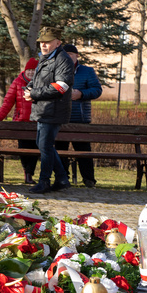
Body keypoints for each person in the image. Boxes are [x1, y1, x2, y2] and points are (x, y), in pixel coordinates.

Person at [24, 26, 75, 194]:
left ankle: (44, 181)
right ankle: (61, 179)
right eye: (41, 42)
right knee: (43, 144)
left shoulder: (63, 59)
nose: (43, 45)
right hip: (44, 109)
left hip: (54, 109)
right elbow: (38, 80)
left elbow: (61, 86)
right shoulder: (45, 58)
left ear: (58, 42)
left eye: (47, 42)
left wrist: (35, 94)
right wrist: (29, 89)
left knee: (45, 145)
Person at [55, 44, 102, 188]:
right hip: (60, 117)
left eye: (71, 54)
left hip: (80, 118)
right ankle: (63, 178)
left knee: (83, 151)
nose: (68, 57)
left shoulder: (87, 71)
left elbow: (97, 90)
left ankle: (89, 179)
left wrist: (81, 94)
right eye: (65, 54)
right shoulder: (56, 70)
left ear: (77, 56)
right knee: (60, 149)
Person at [0, 58, 39, 184]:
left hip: (37, 123)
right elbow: (7, 103)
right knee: (24, 148)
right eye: (29, 70)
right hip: (21, 123)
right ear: (25, 70)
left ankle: (30, 173)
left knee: (35, 150)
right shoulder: (18, 82)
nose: (31, 73)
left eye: (34, 70)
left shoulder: (41, 83)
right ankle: (27, 173)